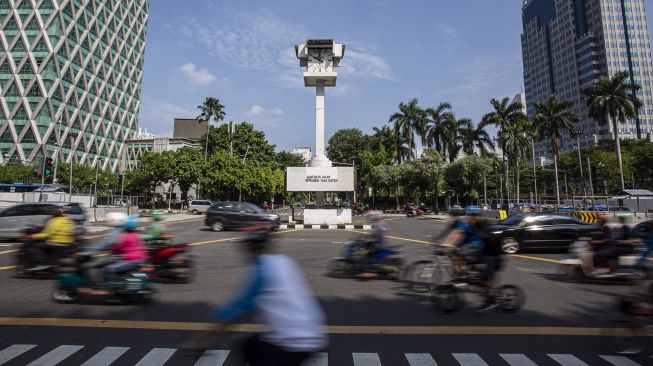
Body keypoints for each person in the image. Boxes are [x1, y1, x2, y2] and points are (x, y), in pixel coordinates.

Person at [186, 226, 327, 366]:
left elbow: (233, 311)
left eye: (246, 245)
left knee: (255, 350)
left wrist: (202, 341)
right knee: (249, 346)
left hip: (290, 342)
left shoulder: (263, 270)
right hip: (311, 334)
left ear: (252, 247)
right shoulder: (284, 261)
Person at [103, 216, 147, 288]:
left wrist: (110, 249)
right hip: (142, 259)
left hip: (133, 260)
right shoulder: (137, 235)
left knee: (109, 269)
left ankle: (111, 290)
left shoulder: (124, 236)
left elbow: (117, 248)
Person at [28, 206, 75, 270]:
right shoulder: (68, 220)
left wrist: (33, 236)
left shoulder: (53, 221)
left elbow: (47, 234)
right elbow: (71, 231)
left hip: (55, 242)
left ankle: (42, 264)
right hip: (67, 243)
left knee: (36, 247)